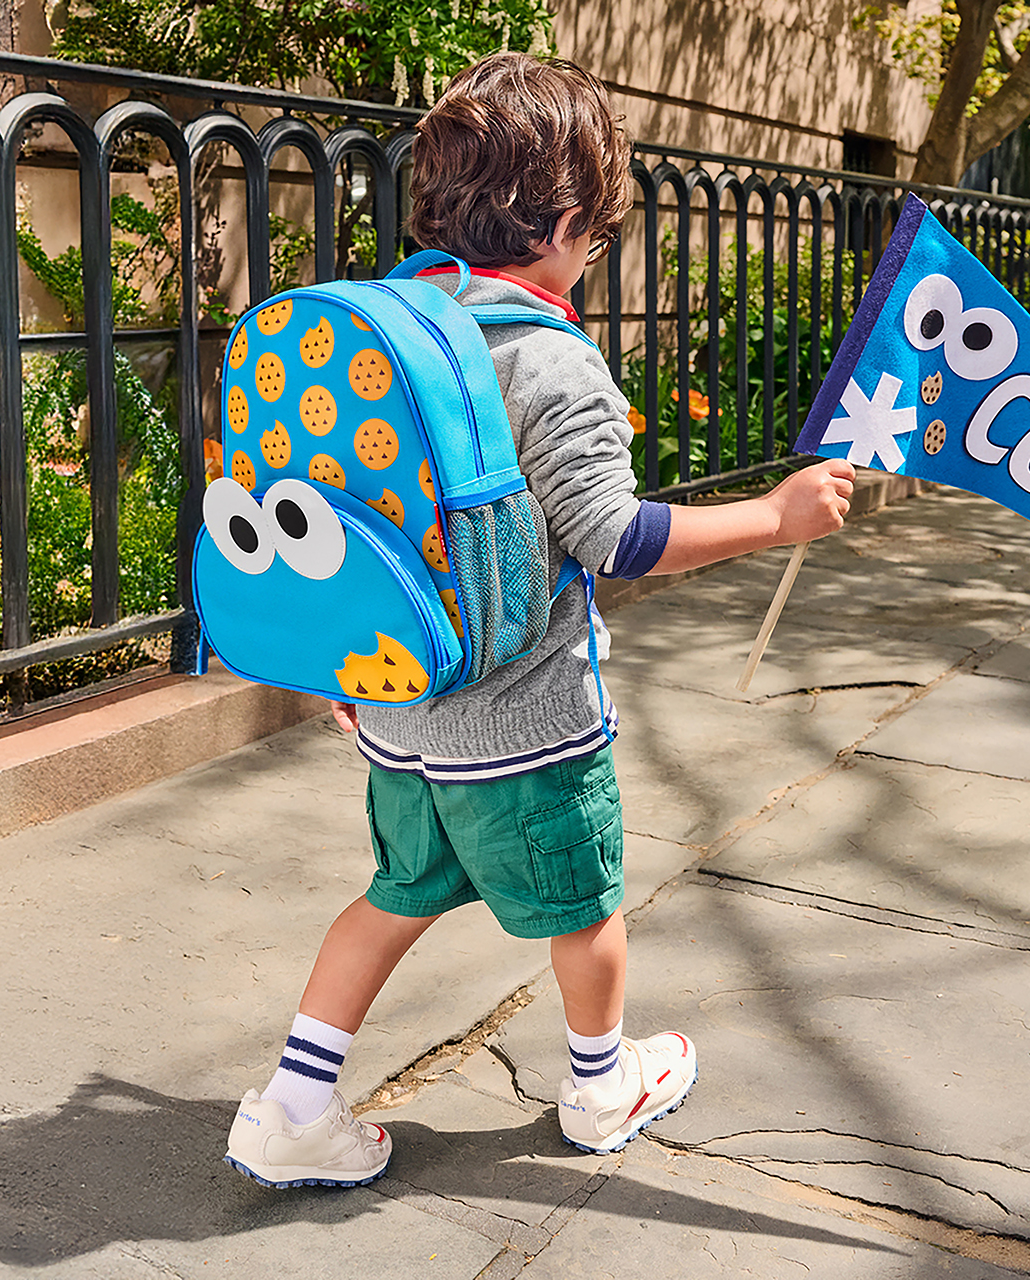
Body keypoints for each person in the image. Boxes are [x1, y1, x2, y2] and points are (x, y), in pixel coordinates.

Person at [224, 51, 856, 1188]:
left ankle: (291, 1109)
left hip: (397, 701)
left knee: (391, 897)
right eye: (595, 238)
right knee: (587, 907)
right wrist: (774, 515)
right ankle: (602, 1085)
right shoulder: (550, 362)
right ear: (566, 227)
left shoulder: (394, 327)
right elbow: (616, 536)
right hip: (529, 723)